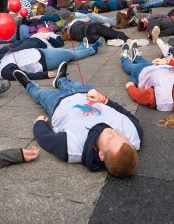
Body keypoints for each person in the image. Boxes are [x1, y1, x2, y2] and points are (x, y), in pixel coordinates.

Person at [13, 62, 143, 177]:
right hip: (88, 94)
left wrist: (40, 124)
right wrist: (104, 99)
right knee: (71, 84)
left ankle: (29, 85)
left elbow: (46, 139)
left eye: (110, 139)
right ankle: (61, 79)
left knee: (40, 94)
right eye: (118, 134)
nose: (111, 132)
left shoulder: (73, 147)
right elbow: (123, 112)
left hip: (58, 103)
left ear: (101, 155)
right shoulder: (134, 133)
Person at [0, 38, 104, 82]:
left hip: (40, 54)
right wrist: (44, 75)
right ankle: (92, 50)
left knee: (67, 53)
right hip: (43, 60)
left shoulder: (1, 66)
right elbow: (24, 76)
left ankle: (81, 47)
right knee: (70, 56)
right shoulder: (4, 72)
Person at [0, 31, 64, 65]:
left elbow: (59, 44)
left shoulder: (55, 36)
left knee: (13, 52)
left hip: (37, 43)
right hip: (28, 40)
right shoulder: (45, 31)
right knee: (6, 48)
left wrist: (47, 37)